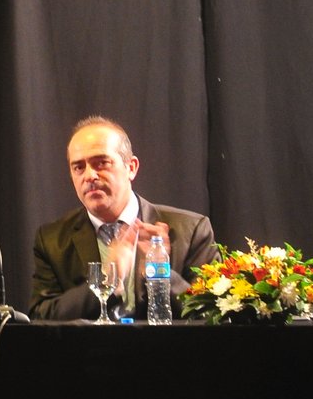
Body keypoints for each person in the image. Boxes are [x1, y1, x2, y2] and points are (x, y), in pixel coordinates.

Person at [30, 115, 217, 321]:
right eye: (79, 167)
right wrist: (107, 280)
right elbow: (41, 317)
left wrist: (159, 272)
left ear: (131, 167)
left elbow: (213, 315)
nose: (89, 176)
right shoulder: (52, 240)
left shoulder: (190, 230)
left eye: (101, 163)